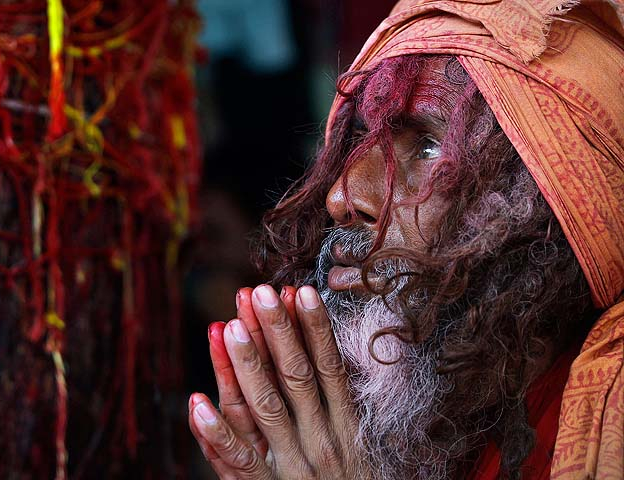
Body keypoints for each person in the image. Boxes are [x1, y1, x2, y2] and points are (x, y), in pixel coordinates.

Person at [188, 1, 624, 479]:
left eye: (429, 147)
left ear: (555, 209)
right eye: (357, 139)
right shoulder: (397, 418)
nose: (342, 196)